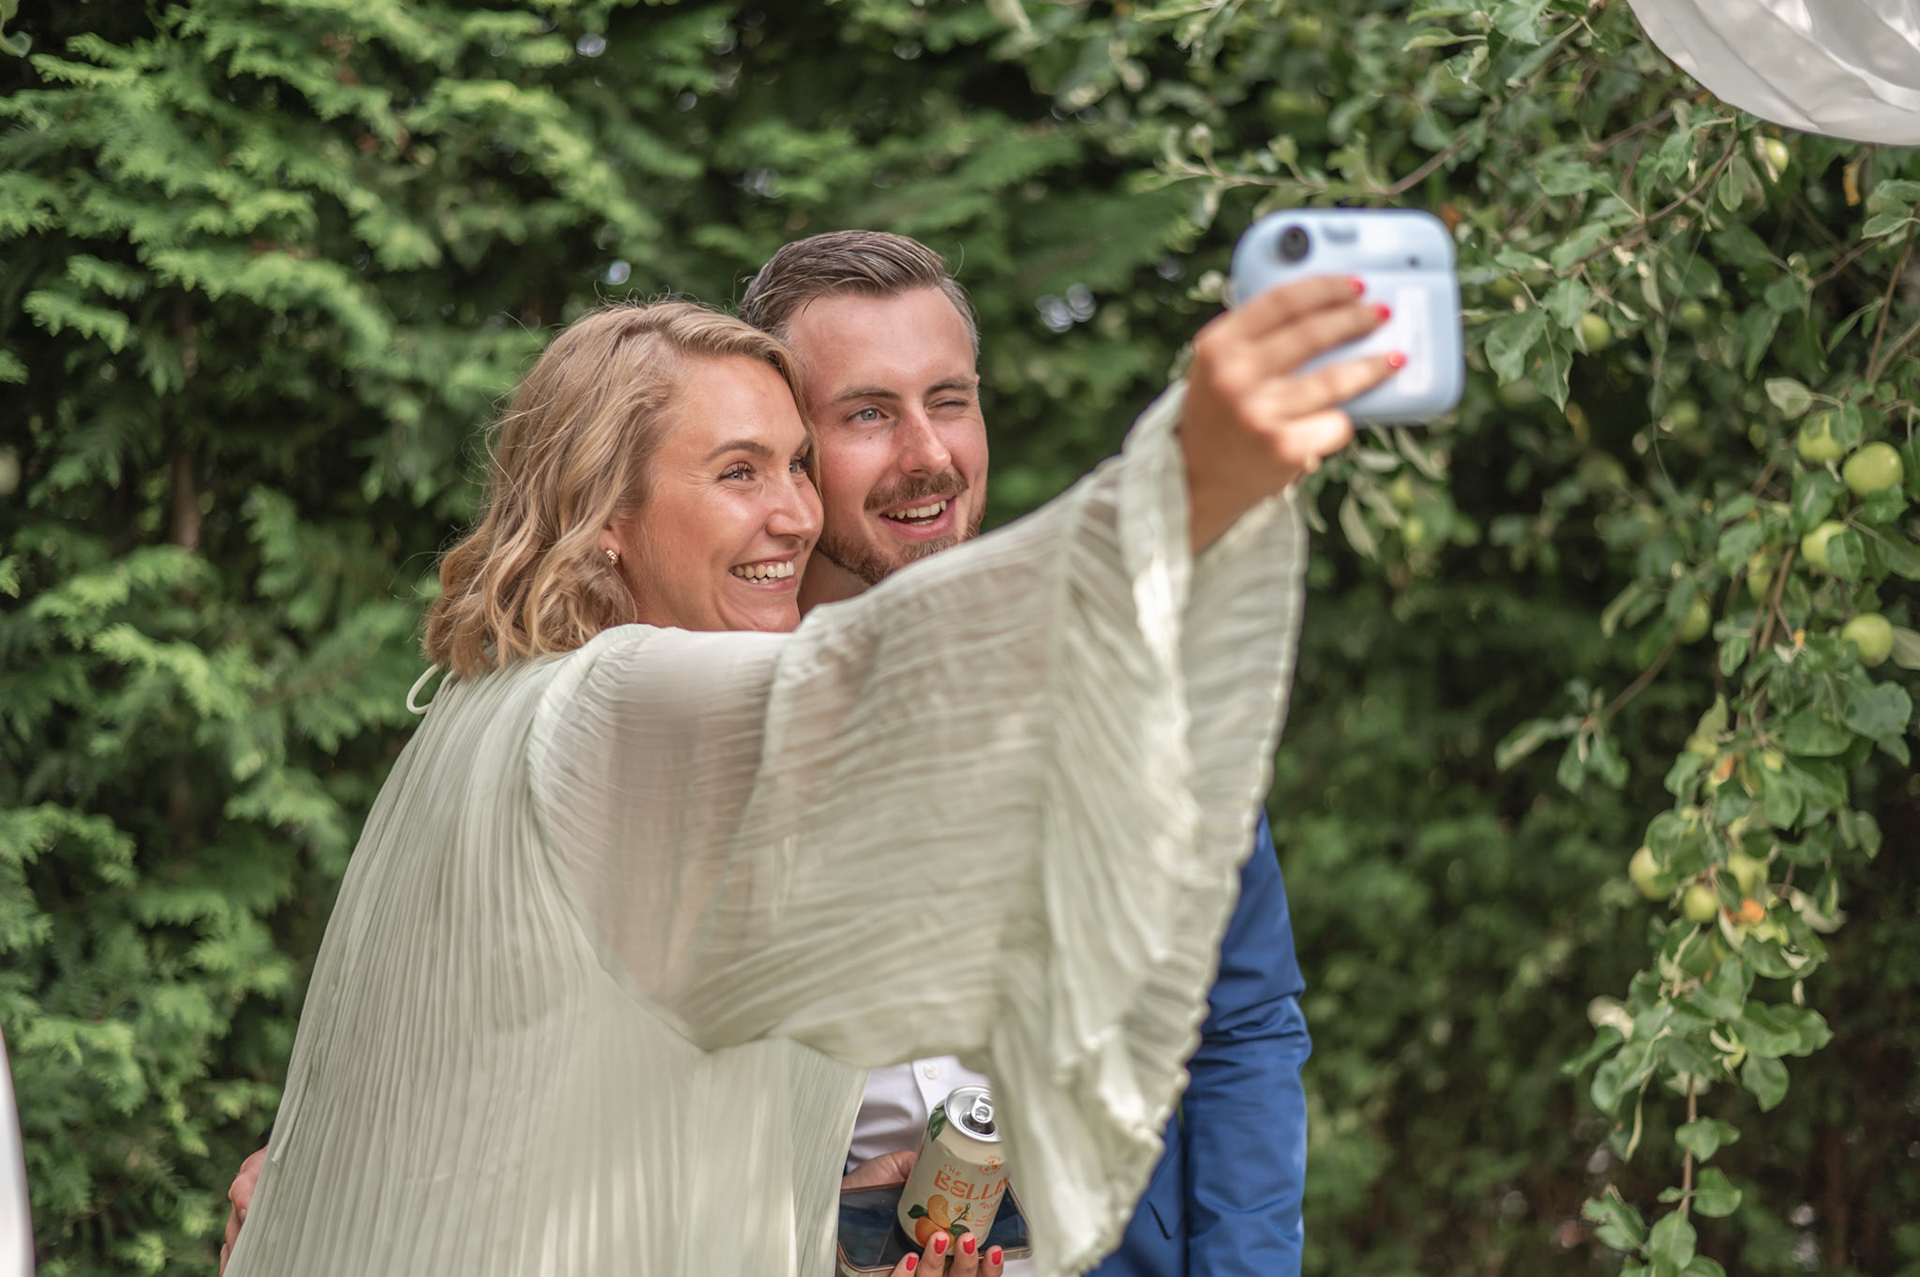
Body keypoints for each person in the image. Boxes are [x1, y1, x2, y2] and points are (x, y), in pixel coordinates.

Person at [218, 280, 1392, 1277]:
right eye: (739, 472)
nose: (791, 511)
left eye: (793, 465)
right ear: (604, 511)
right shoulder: (615, 707)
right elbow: (891, 677)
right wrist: (1198, 470)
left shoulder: (485, 701)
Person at [738, 231, 1313, 1277]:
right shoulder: (705, 719)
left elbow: (1241, 1024)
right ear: (789, 450)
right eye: (868, 412)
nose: (929, 454)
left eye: (949, 399)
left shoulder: (1135, 674)